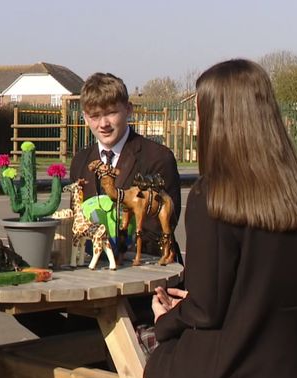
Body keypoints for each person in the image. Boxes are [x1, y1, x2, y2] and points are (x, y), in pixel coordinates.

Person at [144, 59, 297, 378]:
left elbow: (206, 310)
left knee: (133, 361)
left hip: (232, 369)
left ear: (219, 119)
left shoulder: (212, 196)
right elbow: (263, 289)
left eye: (199, 113)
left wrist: (165, 320)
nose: (196, 124)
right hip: (295, 363)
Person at [16, 72, 182, 336]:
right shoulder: (82, 160)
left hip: (141, 290)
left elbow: (155, 233)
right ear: (84, 117)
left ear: (128, 110)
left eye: (110, 113)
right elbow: (78, 221)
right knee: (22, 307)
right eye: (94, 116)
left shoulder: (157, 158)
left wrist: (105, 247)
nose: (103, 124)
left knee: (84, 339)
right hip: (90, 283)